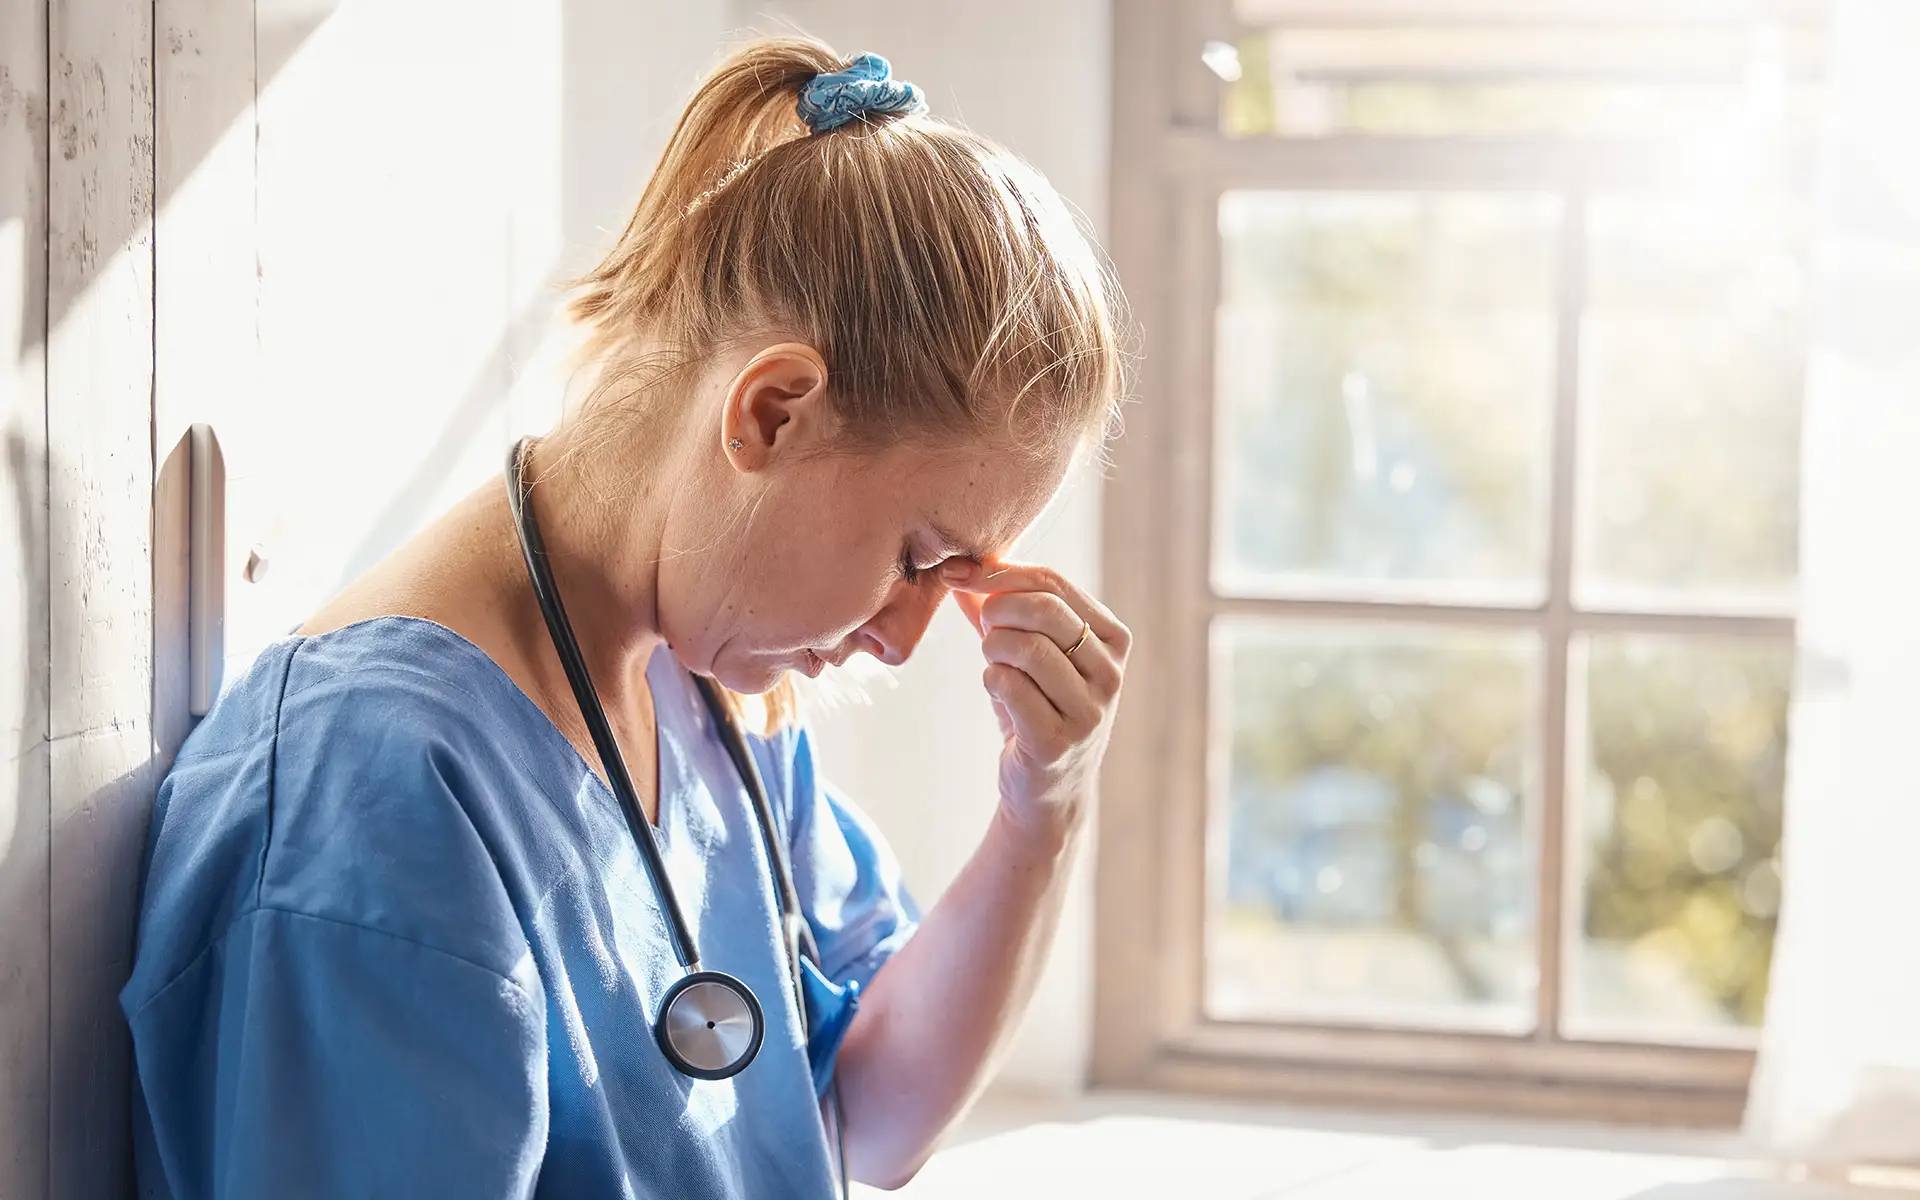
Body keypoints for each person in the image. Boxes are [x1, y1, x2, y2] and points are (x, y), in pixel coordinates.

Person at [119, 34, 1129, 1200]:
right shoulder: (376, 796)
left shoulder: (706, 695)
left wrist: (1041, 808)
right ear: (772, 412)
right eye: (917, 559)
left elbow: (863, 1120)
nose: (905, 641)